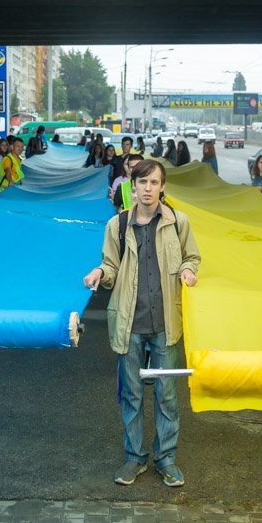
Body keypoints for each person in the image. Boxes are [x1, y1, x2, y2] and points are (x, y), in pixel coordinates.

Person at [83, 160, 201, 488]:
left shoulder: (179, 222)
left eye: (154, 182)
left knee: (166, 397)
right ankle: (134, 458)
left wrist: (189, 272)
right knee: (131, 396)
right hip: (129, 324)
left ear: (163, 187)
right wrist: (99, 274)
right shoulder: (117, 226)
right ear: (132, 186)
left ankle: (166, 459)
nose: (148, 188)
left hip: (165, 323)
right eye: (142, 182)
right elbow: (110, 265)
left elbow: (192, 256)